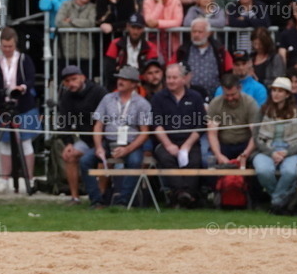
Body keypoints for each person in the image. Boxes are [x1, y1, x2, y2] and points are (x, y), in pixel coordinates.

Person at [79, 65, 153, 208]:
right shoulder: (107, 99)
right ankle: (96, 200)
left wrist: (128, 149)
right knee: (84, 161)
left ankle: (123, 202)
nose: (120, 82)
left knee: (135, 162)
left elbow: (145, 132)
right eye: (119, 78)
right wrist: (99, 147)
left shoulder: (143, 103)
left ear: (133, 84)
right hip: (108, 142)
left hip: (130, 144)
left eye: (125, 79)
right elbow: (98, 125)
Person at [0, 27, 40, 193]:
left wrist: (21, 88)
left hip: (24, 106)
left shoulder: (24, 60)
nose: (7, 50)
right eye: (4, 46)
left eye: (10, 46)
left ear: (15, 45)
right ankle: (4, 180)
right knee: (4, 143)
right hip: (3, 108)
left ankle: (30, 179)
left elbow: (31, 79)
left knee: (26, 142)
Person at [150, 63, 207, 207]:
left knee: (194, 161)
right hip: (166, 142)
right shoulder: (158, 98)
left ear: (183, 79)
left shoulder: (195, 97)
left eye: (174, 77)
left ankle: (184, 195)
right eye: (168, 77)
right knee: (167, 159)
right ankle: (184, 195)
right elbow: (156, 125)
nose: (170, 81)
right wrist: (169, 145)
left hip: (190, 141)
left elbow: (201, 125)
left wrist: (187, 146)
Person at [55, 64, 105, 204]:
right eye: (67, 81)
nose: (71, 83)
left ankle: (100, 196)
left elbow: (107, 119)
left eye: (74, 79)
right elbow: (64, 122)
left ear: (83, 77)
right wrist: (68, 143)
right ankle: (74, 197)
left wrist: (100, 143)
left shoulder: (99, 92)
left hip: (103, 139)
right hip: (85, 139)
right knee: (69, 155)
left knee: (102, 159)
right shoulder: (66, 97)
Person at [253, 76, 297, 213]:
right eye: (274, 90)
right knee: (263, 170)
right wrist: (271, 152)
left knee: (290, 171)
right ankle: (280, 201)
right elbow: (256, 137)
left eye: (280, 91)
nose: (276, 94)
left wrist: (287, 152)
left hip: (291, 149)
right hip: (267, 149)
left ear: (287, 94)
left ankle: (276, 202)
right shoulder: (262, 110)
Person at [207, 74, 259, 167]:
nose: (230, 98)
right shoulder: (215, 104)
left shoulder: (250, 103)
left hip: (245, 145)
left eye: (233, 94)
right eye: (227, 95)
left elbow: (255, 134)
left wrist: (245, 154)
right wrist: (218, 155)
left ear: (239, 88)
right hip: (223, 145)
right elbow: (212, 134)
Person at [173, 19, 232, 101]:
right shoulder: (182, 51)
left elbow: (229, 71)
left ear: (208, 33)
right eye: (194, 32)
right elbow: (171, 69)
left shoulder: (220, 51)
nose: (196, 35)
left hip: (215, 97)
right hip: (188, 96)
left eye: (200, 32)